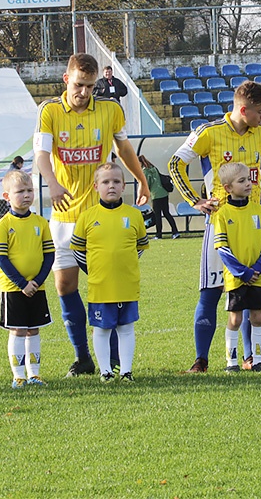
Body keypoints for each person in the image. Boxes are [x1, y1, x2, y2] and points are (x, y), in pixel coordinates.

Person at [34, 52, 150, 377]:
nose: (83, 92)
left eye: (89, 85)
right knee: (65, 285)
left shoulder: (111, 110)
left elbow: (125, 149)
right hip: (65, 215)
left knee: (110, 287)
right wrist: (54, 184)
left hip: (103, 218)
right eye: (78, 84)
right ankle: (82, 357)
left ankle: (112, 361)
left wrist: (141, 179)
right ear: (66, 80)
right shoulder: (51, 112)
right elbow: (42, 154)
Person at [169, 80, 261, 373]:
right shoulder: (209, 133)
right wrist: (195, 200)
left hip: (253, 225)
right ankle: (201, 359)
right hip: (220, 222)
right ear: (243, 109)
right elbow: (175, 164)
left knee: (250, 291)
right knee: (212, 290)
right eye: (259, 112)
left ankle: (250, 359)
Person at [70, 163, 149, 382]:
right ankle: (105, 371)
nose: (111, 186)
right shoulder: (87, 217)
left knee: (126, 328)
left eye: (116, 182)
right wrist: (93, 270)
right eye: (105, 182)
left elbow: (140, 246)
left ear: (124, 186)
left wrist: (127, 264)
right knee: (101, 330)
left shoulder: (134, 216)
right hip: (100, 285)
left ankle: (126, 371)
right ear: (96, 186)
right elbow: (77, 250)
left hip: (127, 284)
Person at [0, 170, 56, 387]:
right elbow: (1, 258)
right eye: (20, 191)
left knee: (34, 329)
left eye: (30, 190)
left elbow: (49, 255)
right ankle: (18, 375)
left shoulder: (41, 222)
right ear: (7, 196)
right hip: (13, 289)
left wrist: (36, 282)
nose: (26, 195)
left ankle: (34, 374)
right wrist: (22, 284)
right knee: (18, 330)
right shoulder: (3, 224)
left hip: (37, 288)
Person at [213, 162, 261, 372]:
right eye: (242, 181)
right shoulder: (222, 214)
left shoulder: (258, 210)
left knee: (257, 316)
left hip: (258, 274)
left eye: (249, 179)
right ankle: (231, 362)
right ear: (228, 187)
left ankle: (257, 360)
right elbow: (222, 248)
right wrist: (243, 272)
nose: (248, 184)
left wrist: (258, 266)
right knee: (235, 317)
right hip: (237, 277)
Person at [140, 154, 180, 240]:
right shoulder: (153, 168)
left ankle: (159, 235)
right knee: (166, 213)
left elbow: (147, 184)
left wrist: (144, 193)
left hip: (156, 195)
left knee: (157, 215)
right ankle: (175, 232)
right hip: (164, 193)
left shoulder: (145, 171)